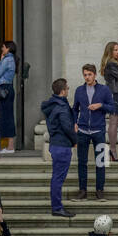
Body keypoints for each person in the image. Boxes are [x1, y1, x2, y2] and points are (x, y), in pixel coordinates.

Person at [72, 63, 114, 200]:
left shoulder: (104, 90)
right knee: (81, 162)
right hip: (83, 130)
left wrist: (100, 105)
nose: (87, 77)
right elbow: (74, 109)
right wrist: (74, 123)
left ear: (95, 75)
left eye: (89, 74)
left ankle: (100, 190)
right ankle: (82, 191)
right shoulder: (79, 90)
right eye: (85, 75)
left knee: (101, 162)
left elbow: (112, 108)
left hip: (99, 130)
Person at [42, 77, 77, 217]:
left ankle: (56, 206)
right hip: (62, 146)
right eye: (67, 88)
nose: (68, 90)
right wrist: (75, 139)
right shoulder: (61, 106)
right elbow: (67, 127)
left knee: (56, 177)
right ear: (62, 91)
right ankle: (57, 207)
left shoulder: (53, 104)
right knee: (58, 178)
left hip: (56, 144)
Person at [101, 41, 118, 161]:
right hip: (114, 94)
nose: (117, 52)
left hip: (112, 93)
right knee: (114, 123)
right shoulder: (112, 64)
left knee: (113, 123)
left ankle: (113, 151)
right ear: (110, 51)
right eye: (115, 50)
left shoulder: (110, 63)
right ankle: (113, 151)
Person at [0, 40, 17, 153]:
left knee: (7, 117)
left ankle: (10, 147)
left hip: (4, 88)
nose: (2, 49)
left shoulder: (7, 60)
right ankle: (9, 145)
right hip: (8, 88)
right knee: (8, 116)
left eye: (3, 47)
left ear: (8, 48)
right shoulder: (9, 59)